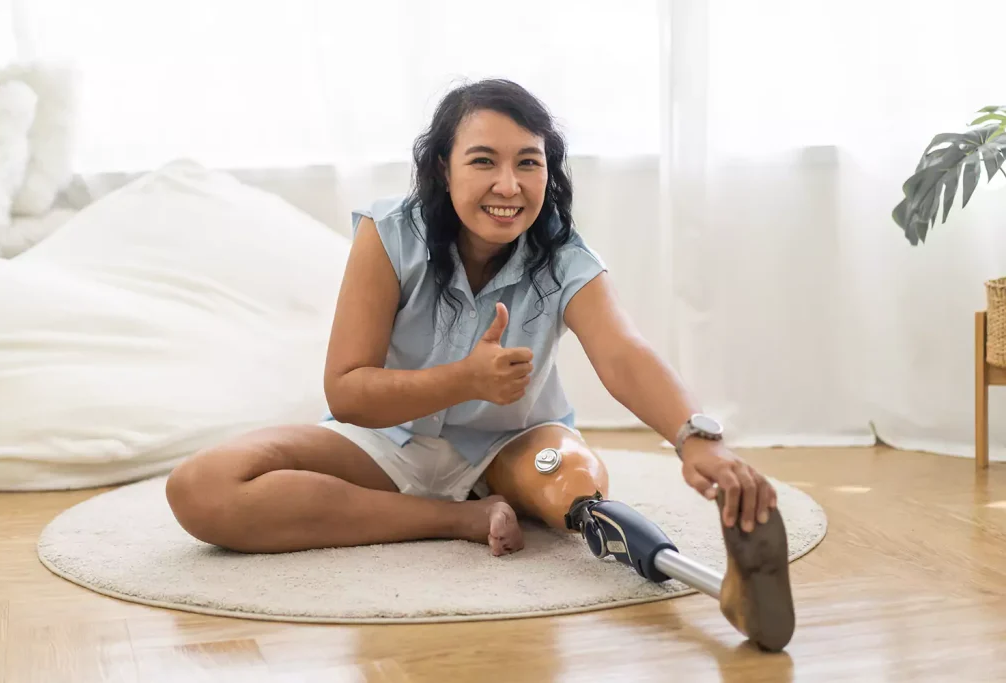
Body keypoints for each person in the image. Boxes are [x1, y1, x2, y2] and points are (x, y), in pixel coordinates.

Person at [166, 78, 789, 647]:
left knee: (571, 486)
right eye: (483, 161)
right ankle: (456, 519)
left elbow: (624, 353)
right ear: (442, 167)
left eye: (529, 163)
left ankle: (612, 531)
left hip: (515, 446)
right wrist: (463, 380)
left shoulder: (566, 256)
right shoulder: (387, 236)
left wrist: (694, 438)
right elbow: (346, 393)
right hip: (385, 443)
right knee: (202, 489)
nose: (508, 186)